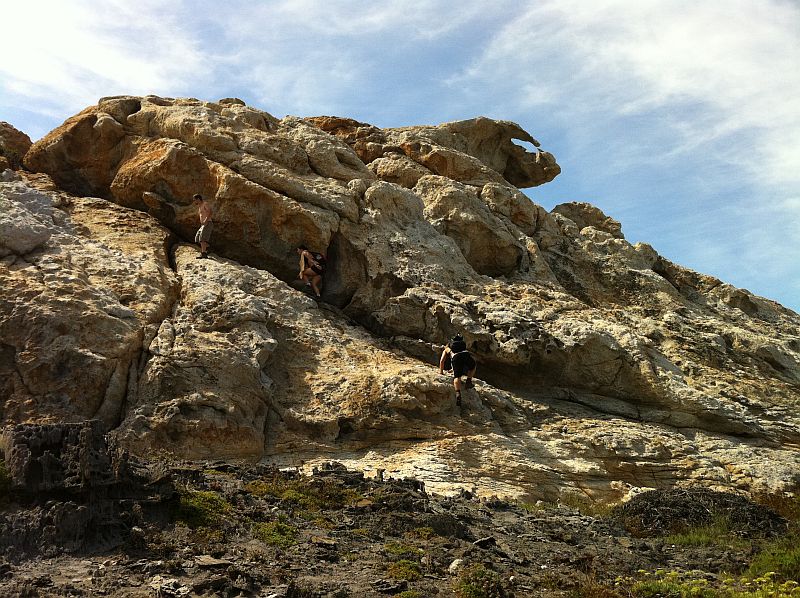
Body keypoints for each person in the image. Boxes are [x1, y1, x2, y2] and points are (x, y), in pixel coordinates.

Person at [439, 334, 476, 406]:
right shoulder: (462, 347)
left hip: (456, 358)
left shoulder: (447, 349)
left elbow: (442, 361)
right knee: (473, 367)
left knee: (457, 377)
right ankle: (468, 381)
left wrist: (441, 372)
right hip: (466, 354)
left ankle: (458, 393)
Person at [193, 194, 213, 259]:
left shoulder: (205, 204)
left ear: (198, 199)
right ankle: (208, 247)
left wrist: (206, 220)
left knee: (202, 239)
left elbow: (210, 212)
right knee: (197, 238)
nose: (194, 202)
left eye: (195, 200)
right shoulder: (200, 206)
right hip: (203, 225)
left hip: (207, 223)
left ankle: (204, 253)